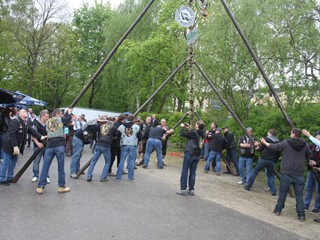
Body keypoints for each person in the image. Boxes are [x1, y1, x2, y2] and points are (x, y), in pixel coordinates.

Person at [260, 128, 312, 222]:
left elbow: (275, 147)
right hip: (299, 173)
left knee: (283, 193)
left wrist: (265, 143)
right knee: (299, 195)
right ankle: (301, 215)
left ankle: (278, 210)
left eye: (291, 132)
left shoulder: (286, 142)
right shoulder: (305, 144)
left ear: (293, 134)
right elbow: (310, 155)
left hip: (287, 172)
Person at [0, 107, 44, 186]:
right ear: (19, 114)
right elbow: (11, 134)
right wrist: (14, 146)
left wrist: (41, 137)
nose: (26, 112)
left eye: (26, 111)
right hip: (9, 145)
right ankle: (2, 178)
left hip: (16, 146)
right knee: (6, 162)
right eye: (24, 111)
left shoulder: (25, 122)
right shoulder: (15, 121)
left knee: (13, 162)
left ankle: (9, 177)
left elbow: (32, 131)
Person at [36, 108, 73, 194]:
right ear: (58, 114)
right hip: (59, 145)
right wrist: (69, 112)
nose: (61, 115)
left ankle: (40, 187)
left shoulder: (48, 121)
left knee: (45, 167)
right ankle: (61, 186)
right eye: (60, 114)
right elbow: (67, 119)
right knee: (61, 168)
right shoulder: (61, 119)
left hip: (49, 146)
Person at [245, 129, 281, 196]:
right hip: (272, 161)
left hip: (263, 159)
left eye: (268, 132)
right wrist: (275, 160)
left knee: (255, 172)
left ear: (270, 133)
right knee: (271, 175)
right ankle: (273, 191)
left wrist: (257, 147)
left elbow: (261, 149)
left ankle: (248, 186)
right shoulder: (278, 142)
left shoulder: (266, 139)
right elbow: (278, 153)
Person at [177, 121, 206, 196]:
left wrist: (182, 127)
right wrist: (189, 128)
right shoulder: (203, 134)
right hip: (197, 155)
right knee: (193, 173)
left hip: (190, 153)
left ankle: (183, 189)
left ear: (198, 125)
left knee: (185, 171)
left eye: (196, 124)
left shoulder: (194, 133)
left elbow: (183, 134)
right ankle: (191, 189)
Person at [87, 116, 117, 182]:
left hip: (99, 144)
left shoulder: (100, 127)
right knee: (107, 162)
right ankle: (103, 177)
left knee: (93, 161)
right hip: (106, 145)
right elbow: (116, 135)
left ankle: (89, 175)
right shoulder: (113, 127)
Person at [116, 115, 141, 180]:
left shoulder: (121, 126)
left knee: (122, 160)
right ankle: (130, 177)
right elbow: (140, 137)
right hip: (133, 145)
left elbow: (117, 134)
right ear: (133, 120)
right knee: (131, 161)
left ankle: (118, 176)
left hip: (124, 144)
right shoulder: (137, 127)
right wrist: (139, 143)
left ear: (127, 119)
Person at [31, 110, 50, 183]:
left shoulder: (48, 124)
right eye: (47, 116)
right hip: (38, 145)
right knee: (36, 161)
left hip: (47, 145)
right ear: (42, 116)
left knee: (47, 161)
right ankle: (35, 175)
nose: (48, 117)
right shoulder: (35, 124)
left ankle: (46, 176)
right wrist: (37, 143)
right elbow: (33, 135)